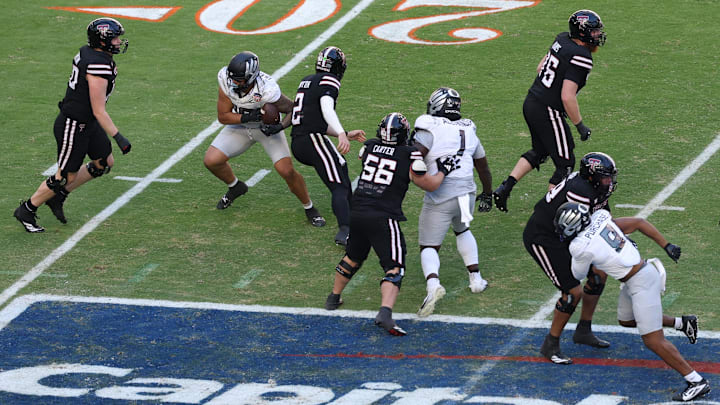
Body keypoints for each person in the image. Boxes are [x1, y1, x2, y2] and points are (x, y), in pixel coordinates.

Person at [555, 202, 710, 402]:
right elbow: (637, 222)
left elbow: (578, 273)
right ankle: (682, 323)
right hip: (637, 277)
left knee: (653, 340)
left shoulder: (579, 246)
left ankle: (696, 381)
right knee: (626, 320)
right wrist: (666, 245)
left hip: (642, 282)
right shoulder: (601, 218)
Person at [324, 112, 458, 335]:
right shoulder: (409, 155)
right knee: (395, 267)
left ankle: (333, 298)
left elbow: (369, 156)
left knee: (353, 256)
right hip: (383, 215)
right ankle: (385, 313)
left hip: (356, 211)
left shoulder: (368, 147)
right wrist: (444, 169)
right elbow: (428, 184)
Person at [14, 18, 132, 233]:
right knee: (64, 176)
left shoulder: (91, 53)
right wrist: (118, 137)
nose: (118, 42)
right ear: (102, 41)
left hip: (87, 121)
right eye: (114, 38)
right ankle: (27, 209)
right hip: (74, 124)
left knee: (103, 162)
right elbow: (99, 109)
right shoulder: (97, 64)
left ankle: (58, 197)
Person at [493, 10, 606, 213]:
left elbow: (540, 68)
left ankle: (506, 187)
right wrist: (580, 125)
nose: (597, 35)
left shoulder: (562, 39)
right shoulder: (581, 56)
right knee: (566, 165)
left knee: (541, 150)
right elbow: (567, 96)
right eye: (594, 31)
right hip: (547, 110)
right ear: (582, 33)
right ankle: (550, 213)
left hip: (532, 101)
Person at [203, 51, 325, 227]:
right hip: (241, 127)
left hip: (266, 130)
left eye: (239, 80)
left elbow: (294, 109)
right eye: (233, 79)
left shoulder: (267, 90)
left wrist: (280, 126)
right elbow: (223, 116)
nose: (234, 83)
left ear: (251, 77)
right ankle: (235, 186)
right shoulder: (225, 79)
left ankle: (309, 208)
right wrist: (249, 116)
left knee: (287, 171)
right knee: (211, 160)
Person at [524, 151, 617, 364]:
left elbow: (603, 217)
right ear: (591, 176)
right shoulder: (579, 191)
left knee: (599, 273)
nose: (609, 182)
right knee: (572, 292)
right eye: (605, 177)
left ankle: (583, 330)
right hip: (545, 238)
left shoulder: (592, 186)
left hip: (569, 235)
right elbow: (588, 226)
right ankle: (551, 344)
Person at [412, 87, 494, 317]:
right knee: (462, 229)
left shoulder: (430, 127)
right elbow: (483, 165)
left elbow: (414, 154)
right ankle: (476, 279)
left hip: (441, 193)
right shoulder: (468, 129)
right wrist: (487, 192)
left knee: (429, 245)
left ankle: (432, 285)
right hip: (466, 191)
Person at [285, 46, 366, 245]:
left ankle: (350, 211)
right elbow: (326, 108)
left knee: (340, 166)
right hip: (311, 139)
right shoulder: (330, 81)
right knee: (338, 184)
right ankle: (345, 231)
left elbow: (314, 119)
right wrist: (340, 134)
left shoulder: (307, 80)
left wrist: (346, 133)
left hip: (301, 139)